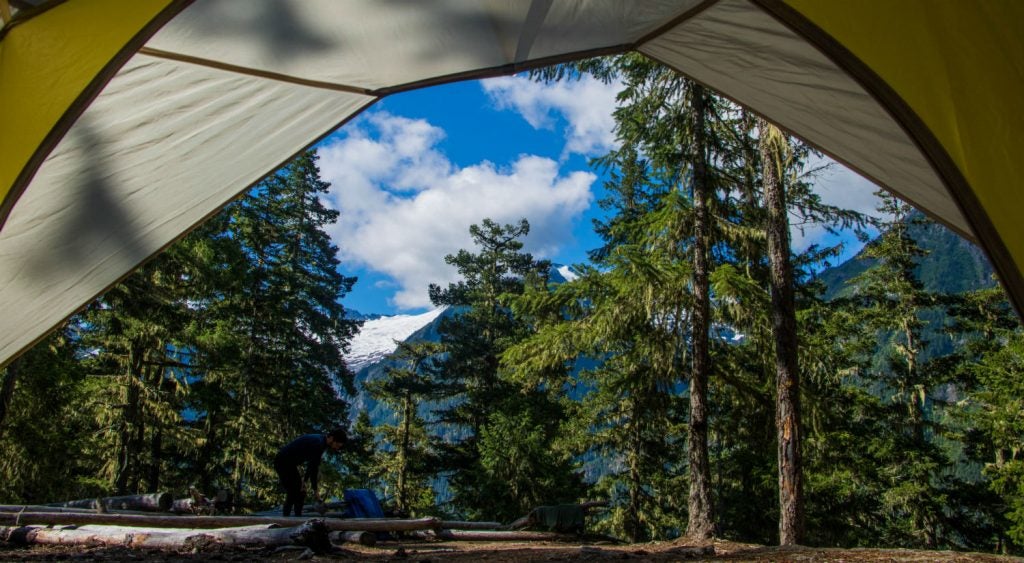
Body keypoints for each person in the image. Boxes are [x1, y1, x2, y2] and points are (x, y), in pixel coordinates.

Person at [274, 428, 347, 516]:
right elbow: (313, 468)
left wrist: (304, 481)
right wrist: (315, 490)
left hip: (289, 464)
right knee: (294, 491)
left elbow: (311, 465)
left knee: (300, 491)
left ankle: (296, 518)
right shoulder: (318, 444)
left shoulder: (321, 441)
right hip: (283, 462)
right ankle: (287, 520)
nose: (336, 448)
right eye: (337, 445)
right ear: (332, 438)